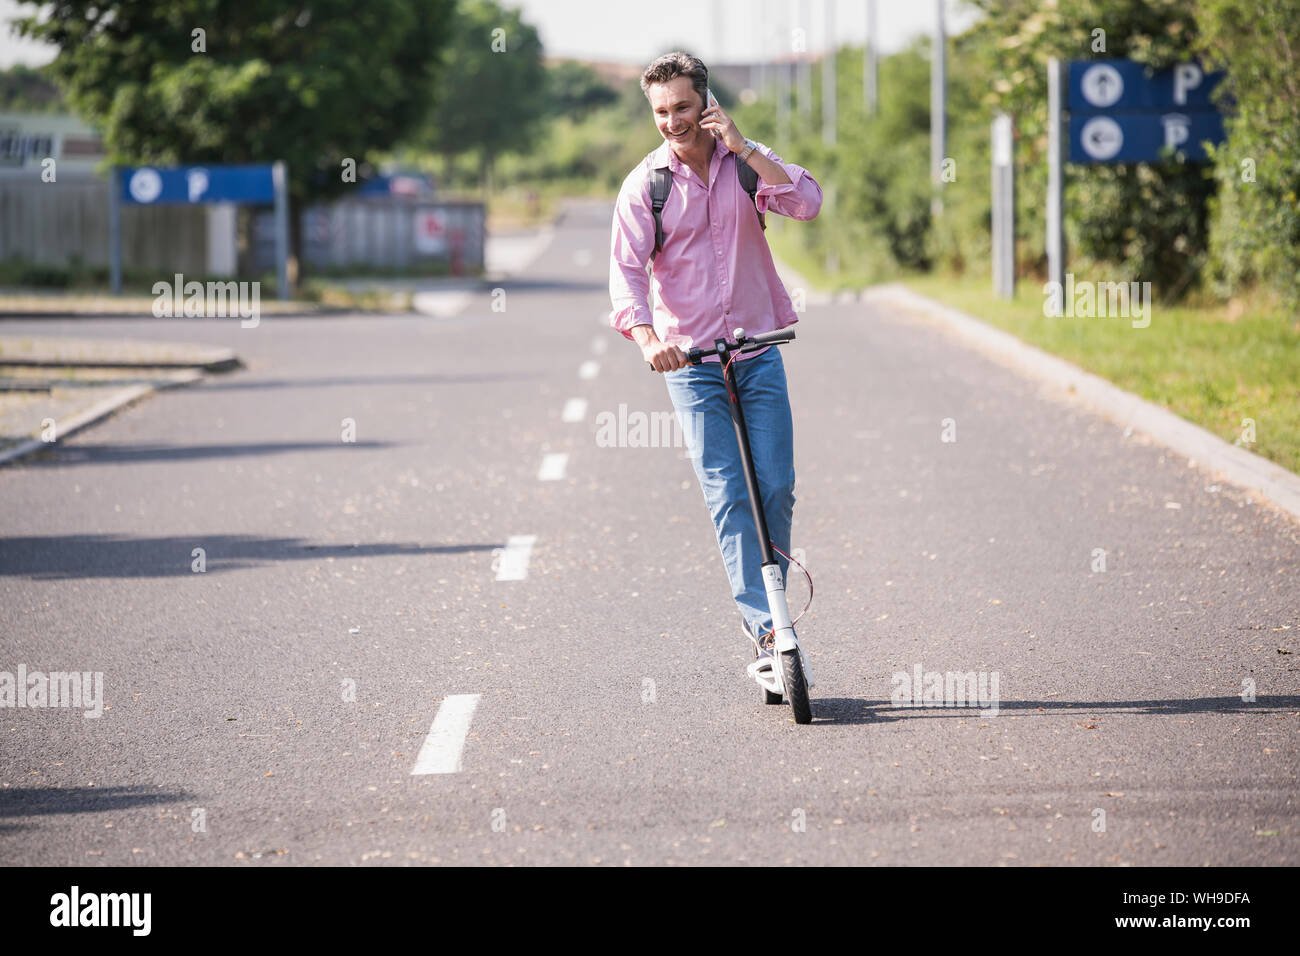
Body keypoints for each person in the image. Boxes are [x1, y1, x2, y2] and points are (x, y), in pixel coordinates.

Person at [608, 51, 823, 668]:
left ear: (705, 101)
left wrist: (745, 145)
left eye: (681, 107)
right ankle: (767, 632)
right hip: (691, 363)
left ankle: (777, 605)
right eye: (660, 111)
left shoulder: (744, 166)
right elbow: (626, 274)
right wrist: (650, 341)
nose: (672, 121)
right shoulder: (645, 186)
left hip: (757, 349)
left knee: (776, 487)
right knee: (729, 494)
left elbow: (806, 202)